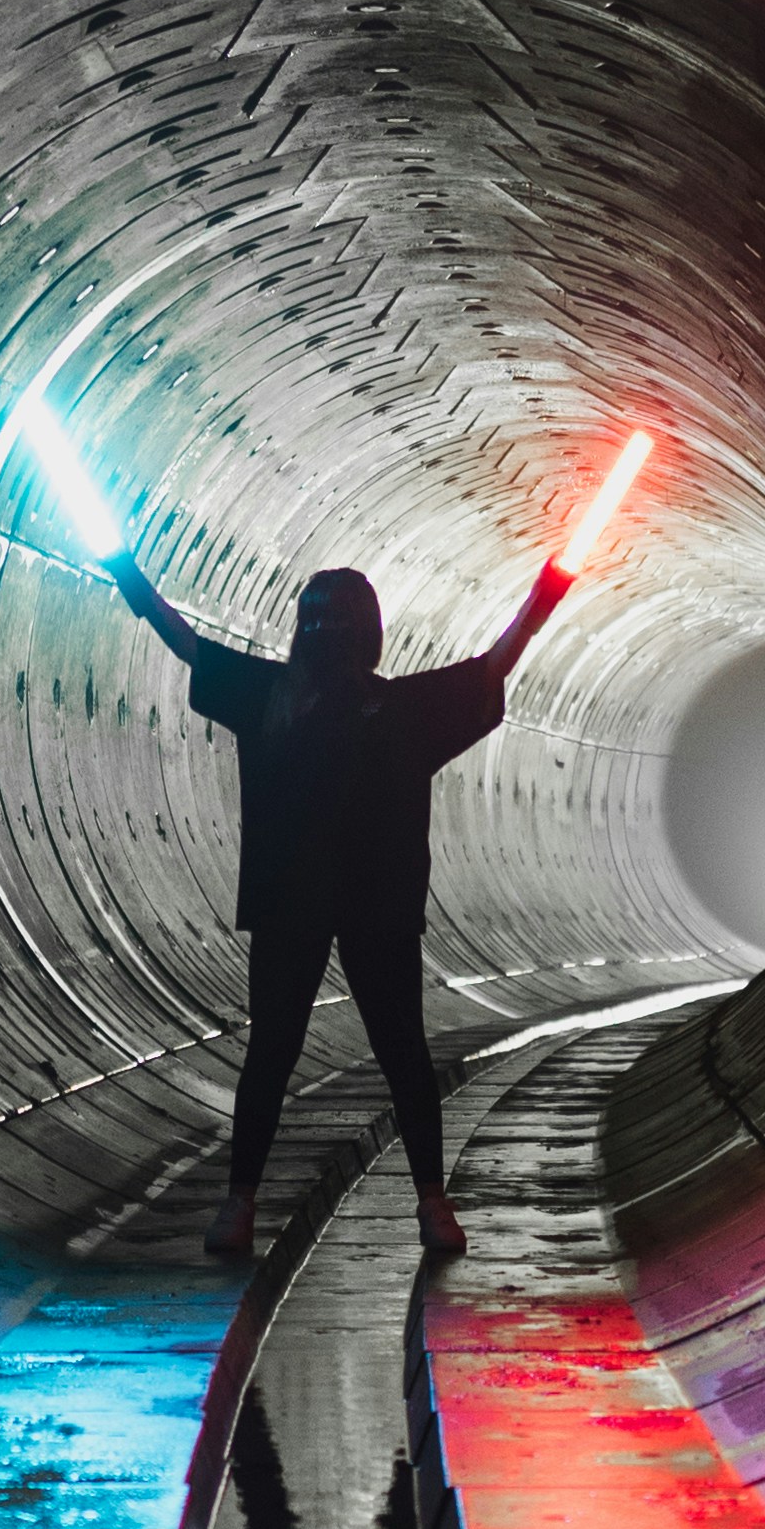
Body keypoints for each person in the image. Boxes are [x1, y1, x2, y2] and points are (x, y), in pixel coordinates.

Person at [103, 537, 571, 1262]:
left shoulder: (300, 700)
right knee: (362, 1050)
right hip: (345, 903)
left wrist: (130, 580)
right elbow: (489, 667)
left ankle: (260, 1202)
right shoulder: (378, 707)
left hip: (323, 901)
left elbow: (189, 646)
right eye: (321, 619)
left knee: (316, 1050)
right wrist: (541, 601)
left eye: (333, 619)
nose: (326, 632)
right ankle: (415, 1203)